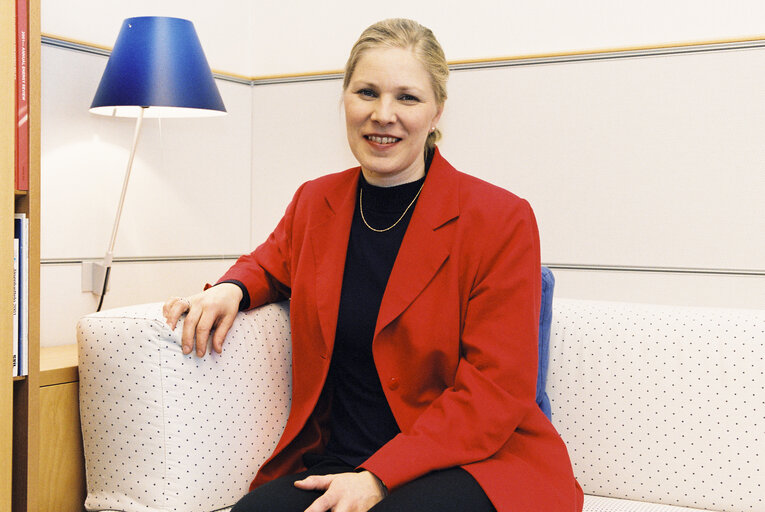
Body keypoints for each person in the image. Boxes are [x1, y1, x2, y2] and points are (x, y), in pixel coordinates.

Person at [164, 18, 583, 512]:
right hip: (341, 458)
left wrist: (379, 477)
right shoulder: (316, 200)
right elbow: (272, 262)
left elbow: (494, 392)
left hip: (473, 463)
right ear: (344, 100)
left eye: (407, 98)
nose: (383, 115)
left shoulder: (500, 218)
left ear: (436, 112)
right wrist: (231, 289)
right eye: (367, 92)